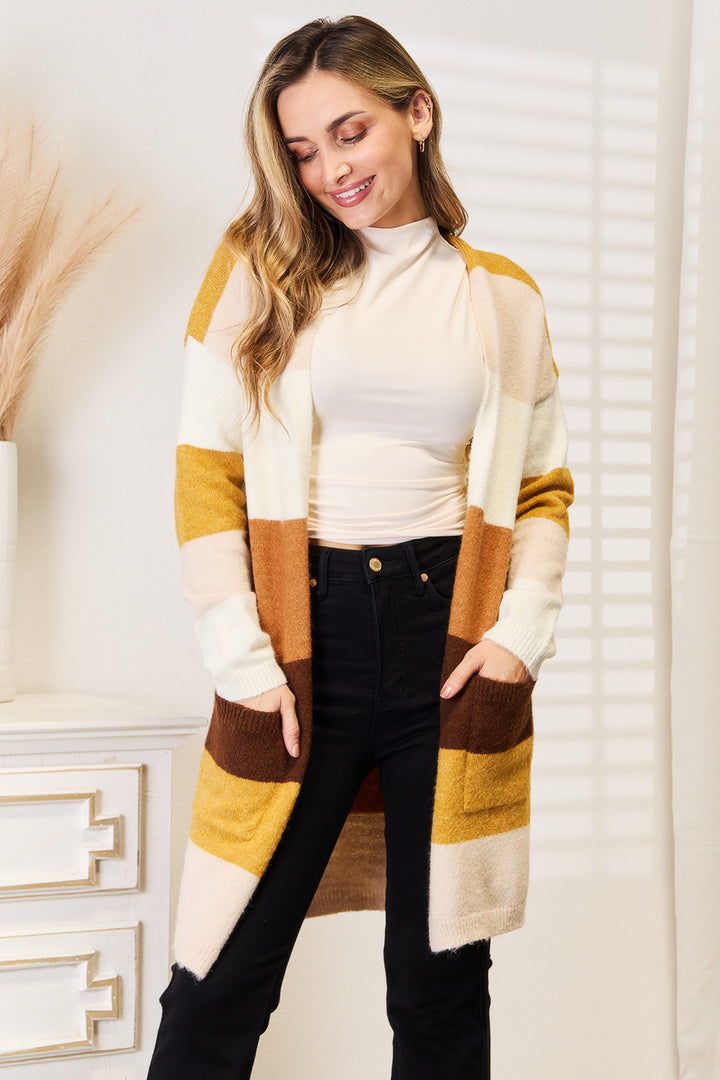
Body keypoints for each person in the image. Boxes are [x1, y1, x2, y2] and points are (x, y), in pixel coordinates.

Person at [148, 15, 573, 1080]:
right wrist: (240, 656)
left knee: (439, 986)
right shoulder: (259, 266)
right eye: (302, 150)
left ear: (416, 114)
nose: (330, 168)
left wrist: (521, 635)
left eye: (351, 133)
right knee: (221, 970)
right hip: (304, 638)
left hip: (450, 639)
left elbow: (542, 485)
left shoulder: (502, 297)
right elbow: (207, 469)